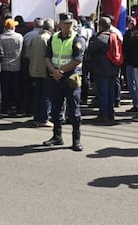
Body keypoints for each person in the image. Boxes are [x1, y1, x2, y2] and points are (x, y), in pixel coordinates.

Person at [42, 12, 86, 152]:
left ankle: (76, 140)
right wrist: (53, 71)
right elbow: (47, 57)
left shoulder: (77, 39)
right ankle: (57, 136)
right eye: (65, 23)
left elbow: (77, 59)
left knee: (74, 110)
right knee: (56, 109)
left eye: (70, 23)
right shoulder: (53, 38)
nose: (68, 26)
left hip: (71, 77)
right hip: (56, 77)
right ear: (59, 24)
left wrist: (61, 71)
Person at [87, 16, 121, 123]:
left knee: (103, 93)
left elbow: (90, 50)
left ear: (101, 26)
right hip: (113, 68)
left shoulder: (100, 38)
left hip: (102, 69)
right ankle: (110, 113)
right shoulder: (114, 35)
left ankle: (103, 114)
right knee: (110, 92)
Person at [27, 18, 53, 127]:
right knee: (46, 95)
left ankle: (37, 117)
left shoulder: (35, 38)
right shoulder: (49, 39)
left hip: (34, 69)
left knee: (38, 95)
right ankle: (44, 119)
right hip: (45, 70)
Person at [0, 17, 24, 116]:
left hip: (4, 66)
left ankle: (5, 108)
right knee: (16, 88)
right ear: (13, 27)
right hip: (16, 66)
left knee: (5, 88)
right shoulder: (19, 37)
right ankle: (18, 108)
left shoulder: (0, 37)